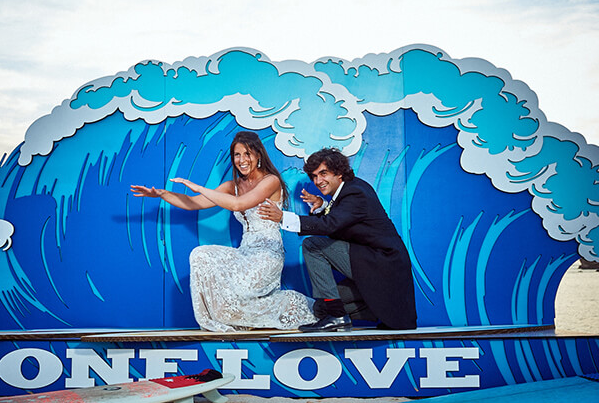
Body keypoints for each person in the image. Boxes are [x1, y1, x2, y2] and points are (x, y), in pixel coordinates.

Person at [130, 131, 317, 332]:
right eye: (237, 155)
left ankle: (303, 308)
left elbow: (238, 205)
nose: (242, 160)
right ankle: (241, 320)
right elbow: (193, 204)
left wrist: (199, 187)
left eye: (247, 154)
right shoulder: (232, 186)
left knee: (242, 292)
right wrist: (162, 194)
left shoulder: (271, 181)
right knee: (200, 255)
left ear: (258, 155)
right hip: (245, 252)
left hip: (267, 254)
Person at [259, 147, 417, 332]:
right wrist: (323, 206)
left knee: (313, 245)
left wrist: (283, 218)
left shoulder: (355, 192)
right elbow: (343, 221)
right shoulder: (349, 191)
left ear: (339, 172)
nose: (318, 181)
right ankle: (352, 312)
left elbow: (331, 225)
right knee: (320, 308)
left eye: (323, 173)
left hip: (383, 264)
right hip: (371, 265)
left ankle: (337, 316)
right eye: (314, 176)